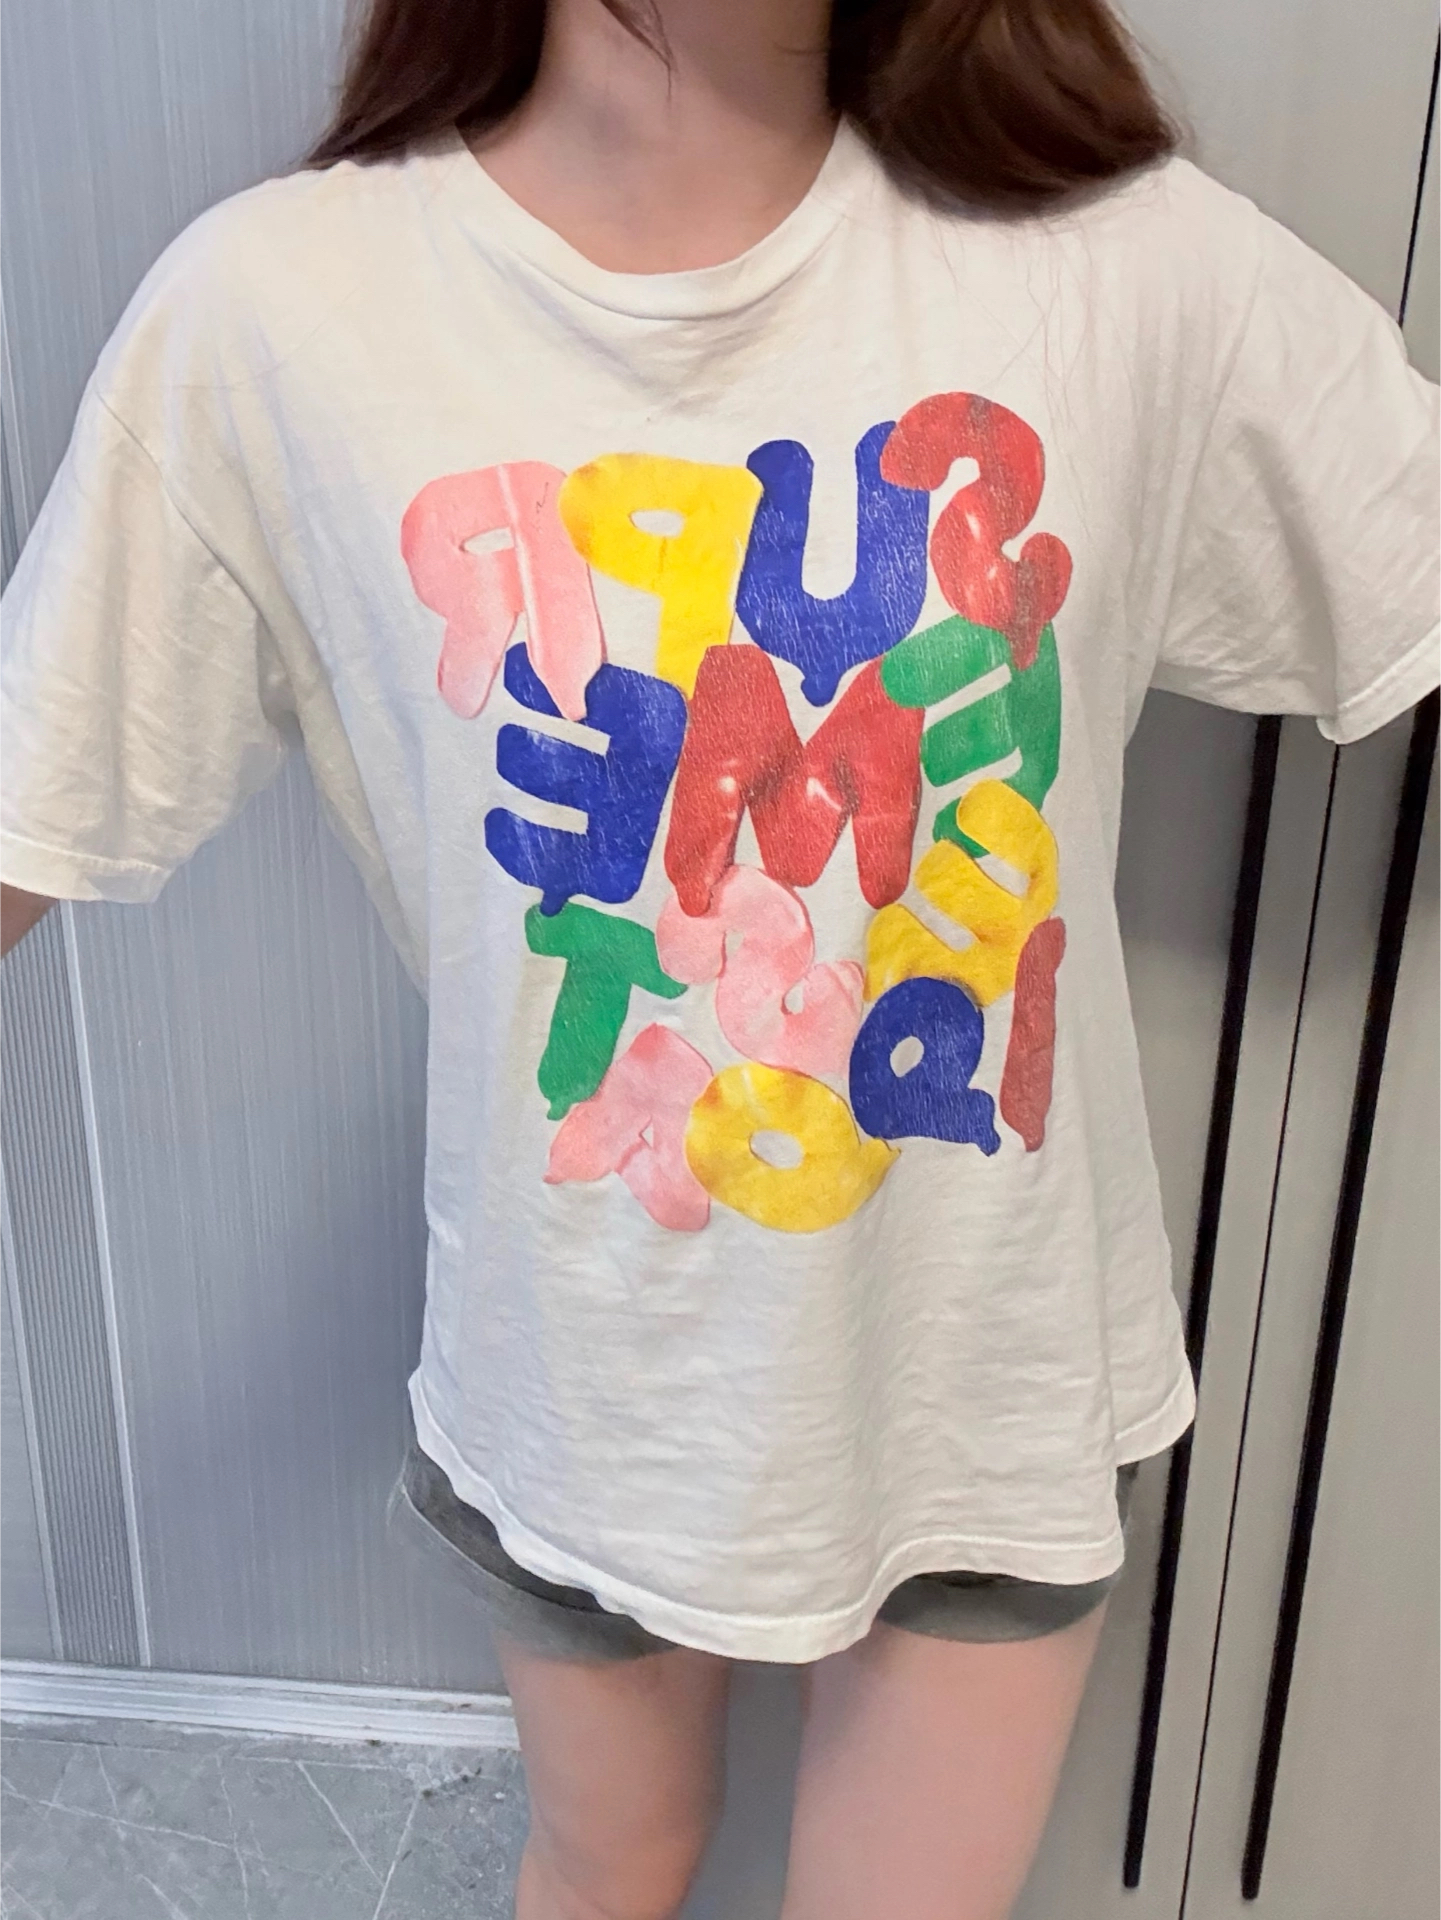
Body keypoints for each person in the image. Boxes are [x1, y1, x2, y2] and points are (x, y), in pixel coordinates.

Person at [2, 0, 1436, 1913]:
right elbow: (37, 788)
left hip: (982, 1364)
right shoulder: (280, 313)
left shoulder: (1127, 268)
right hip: (576, 1372)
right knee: (609, 1865)